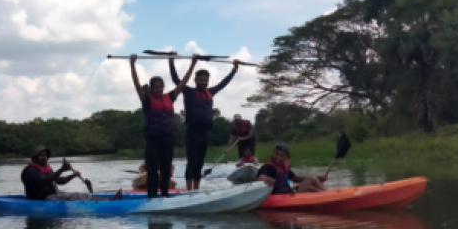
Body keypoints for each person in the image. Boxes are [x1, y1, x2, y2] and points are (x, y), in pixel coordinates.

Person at [130, 54, 198, 198]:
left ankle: (165, 194)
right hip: (153, 140)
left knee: (166, 168)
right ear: (151, 88)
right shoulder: (147, 99)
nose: (158, 90)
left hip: (167, 139)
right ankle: (152, 196)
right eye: (155, 87)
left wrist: (193, 64)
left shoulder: (170, 97)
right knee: (153, 169)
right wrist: (132, 64)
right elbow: (136, 85)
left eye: (160, 87)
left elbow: (183, 82)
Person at [169, 58, 241, 190]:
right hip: (192, 131)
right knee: (192, 162)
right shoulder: (189, 92)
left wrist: (234, 70)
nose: (203, 82)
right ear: (195, 80)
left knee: (200, 163)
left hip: (205, 133)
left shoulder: (210, 92)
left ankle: (196, 190)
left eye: (205, 80)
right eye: (201, 80)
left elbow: (223, 83)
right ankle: (188, 189)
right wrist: (171, 61)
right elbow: (175, 80)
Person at [21, 145, 123, 201]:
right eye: (40, 155)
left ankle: (109, 200)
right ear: (35, 158)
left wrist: (72, 175)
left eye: (45, 155)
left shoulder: (46, 168)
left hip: (53, 195)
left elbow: (59, 181)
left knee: (79, 195)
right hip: (43, 199)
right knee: (75, 197)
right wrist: (61, 169)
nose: (44, 157)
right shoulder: (31, 171)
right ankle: (110, 201)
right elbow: (44, 181)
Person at [257, 143, 326, 194]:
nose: (278, 157)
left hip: (289, 191)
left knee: (312, 178)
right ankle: (327, 196)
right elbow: (261, 176)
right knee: (310, 188)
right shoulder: (268, 166)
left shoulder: (285, 166)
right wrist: (265, 179)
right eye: (276, 154)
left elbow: (295, 179)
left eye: (282, 155)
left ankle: (327, 193)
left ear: (286, 157)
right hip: (280, 195)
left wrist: (318, 178)